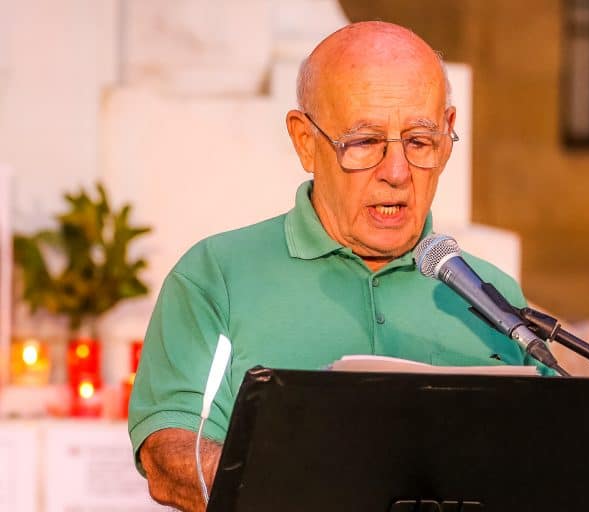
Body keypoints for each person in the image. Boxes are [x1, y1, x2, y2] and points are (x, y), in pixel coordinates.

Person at [128, 20, 552, 511]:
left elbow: (556, 457)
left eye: (419, 141)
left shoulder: (492, 296)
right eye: (365, 142)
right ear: (305, 140)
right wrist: (309, 485)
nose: (397, 173)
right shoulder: (216, 276)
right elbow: (169, 456)